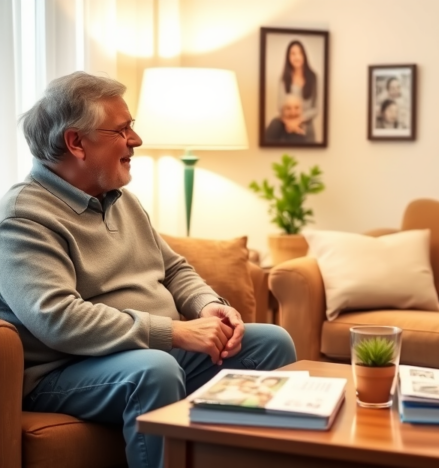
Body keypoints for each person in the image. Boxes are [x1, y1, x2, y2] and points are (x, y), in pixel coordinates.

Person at [0, 71, 297, 468]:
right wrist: (174, 332)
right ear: (76, 143)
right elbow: (58, 318)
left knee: (271, 342)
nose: (135, 141)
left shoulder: (122, 200)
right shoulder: (25, 216)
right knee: (154, 369)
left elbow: (174, 269)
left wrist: (207, 306)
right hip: (66, 371)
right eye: (122, 130)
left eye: (132, 128)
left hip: (144, 354)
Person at [277, 40, 318, 142]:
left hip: (307, 128)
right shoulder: (283, 79)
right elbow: (280, 106)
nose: (297, 57)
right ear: (288, 57)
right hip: (287, 129)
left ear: (304, 55)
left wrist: (298, 120)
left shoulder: (313, 78)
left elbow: (316, 108)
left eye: (300, 53)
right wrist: (291, 124)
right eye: (293, 54)